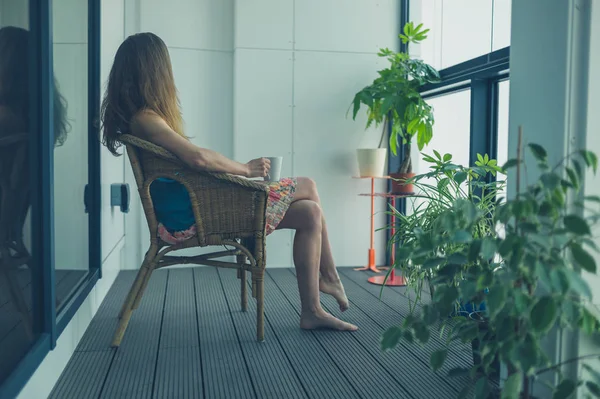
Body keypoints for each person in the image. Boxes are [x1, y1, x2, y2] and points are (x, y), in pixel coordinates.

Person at [101, 32, 357, 332]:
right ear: (155, 71)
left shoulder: (143, 119)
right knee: (309, 185)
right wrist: (245, 170)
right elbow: (197, 158)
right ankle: (329, 277)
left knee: (311, 212)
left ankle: (313, 309)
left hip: (194, 209)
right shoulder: (147, 119)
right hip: (194, 218)